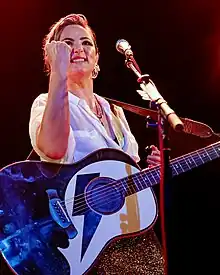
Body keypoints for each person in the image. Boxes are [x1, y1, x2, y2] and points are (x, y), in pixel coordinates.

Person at [29, 13, 164, 274]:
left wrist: (150, 171)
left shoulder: (116, 112)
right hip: (86, 243)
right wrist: (58, 73)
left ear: (97, 57)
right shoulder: (45, 103)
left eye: (86, 42)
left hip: (135, 236)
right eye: (67, 43)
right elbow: (55, 149)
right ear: (52, 55)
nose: (78, 48)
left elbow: (121, 180)